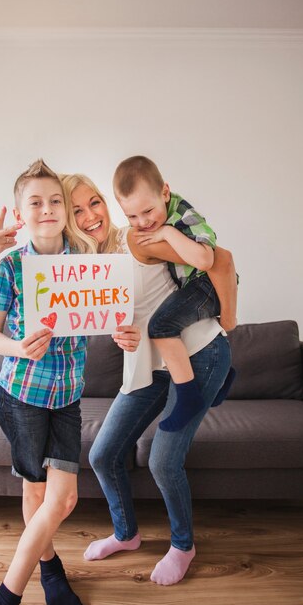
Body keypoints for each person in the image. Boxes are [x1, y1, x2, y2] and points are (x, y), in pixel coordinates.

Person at [0, 167, 237, 589]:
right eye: (76, 209)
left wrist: (229, 320)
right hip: (149, 364)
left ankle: (182, 545)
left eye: (94, 202)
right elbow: (20, 294)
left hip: (199, 354)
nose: (88, 216)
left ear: (108, 202)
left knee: (162, 458)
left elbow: (221, 261)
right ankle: (126, 534)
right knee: (102, 454)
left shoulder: (137, 236)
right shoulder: (80, 265)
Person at [0, 158, 140, 605]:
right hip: (21, 398)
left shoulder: (86, 265)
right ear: (20, 214)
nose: (47, 209)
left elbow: (105, 316)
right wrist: (16, 346)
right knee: (35, 494)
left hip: (67, 398)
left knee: (64, 498)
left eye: (55, 201)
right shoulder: (11, 267)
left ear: (64, 212)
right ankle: (52, 574)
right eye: (36, 202)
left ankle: (5, 596)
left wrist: (122, 332)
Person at [112, 155, 236, 432]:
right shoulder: (141, 230)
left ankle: (187, 397)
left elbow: (208, 260)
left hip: (206, 284)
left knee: (161, 326)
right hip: (195, 286)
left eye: (147, 211)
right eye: (132, 216)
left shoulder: (184, 217)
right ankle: (224, 377)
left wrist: (168, 233)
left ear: (165, 192)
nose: (142, 222)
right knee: (164, 323)